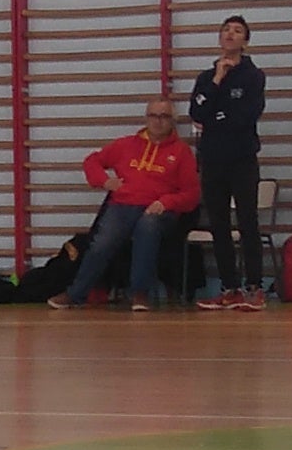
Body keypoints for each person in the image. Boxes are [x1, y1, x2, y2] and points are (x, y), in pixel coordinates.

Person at [53, 97, 202, 312]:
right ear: (146, 118)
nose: (158, 121)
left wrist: (166, 202)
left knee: (147, 227)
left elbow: (191, 194)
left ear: (173, 120)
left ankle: (140, 293)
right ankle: (76, 293)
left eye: (164, 116)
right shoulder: (126, 145)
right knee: (102, 242)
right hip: (123, 205)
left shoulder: (182, 152)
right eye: (153, 115)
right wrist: (105, 181)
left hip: (158, 210)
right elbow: (92, 161)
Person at [184, 16, 271, 309]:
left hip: (242, 159)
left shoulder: (253, 76)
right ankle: (229, 288)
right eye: (226, 30)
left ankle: (254, 288)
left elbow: (245, 115)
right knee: (218, 224)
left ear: (246, 40)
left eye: (237, 31)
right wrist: (217, 80)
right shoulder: (206, 77)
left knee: (248, 221)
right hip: (212, 159)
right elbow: (196, 113)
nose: (230, 34)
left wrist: (215, 118)